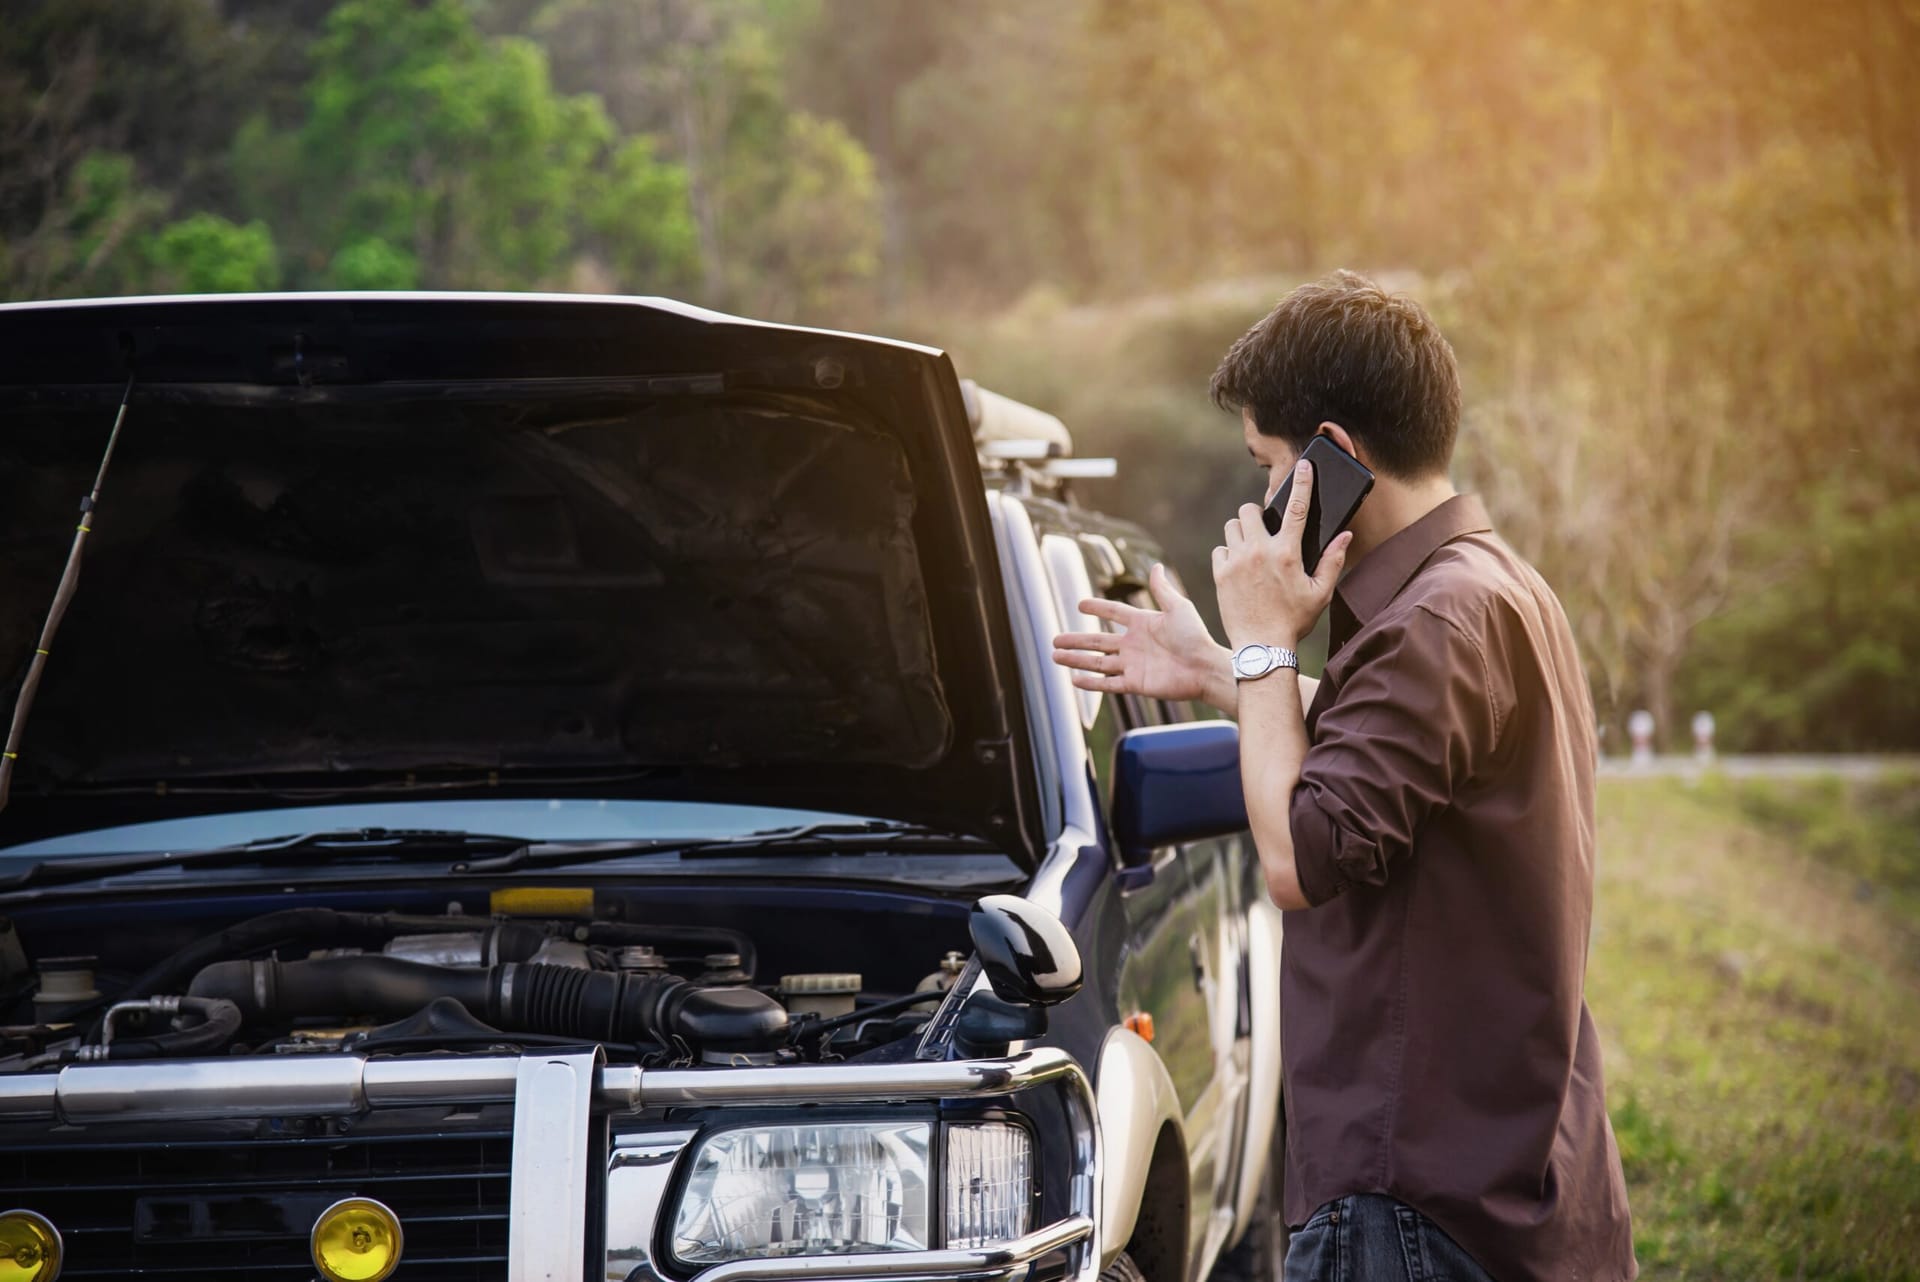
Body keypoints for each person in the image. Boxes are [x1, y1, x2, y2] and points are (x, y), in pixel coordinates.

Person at [1052, 271, 1635, 1281]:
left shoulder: (1432, 621)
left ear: (1335, 456)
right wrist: (1220, 669)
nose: (1265, 498)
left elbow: (1299, 856)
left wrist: (1267, 640)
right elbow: (1387, 760)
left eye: (1269, 466)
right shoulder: (1489, 591)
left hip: (1413, 1208)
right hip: (1498, 1190)